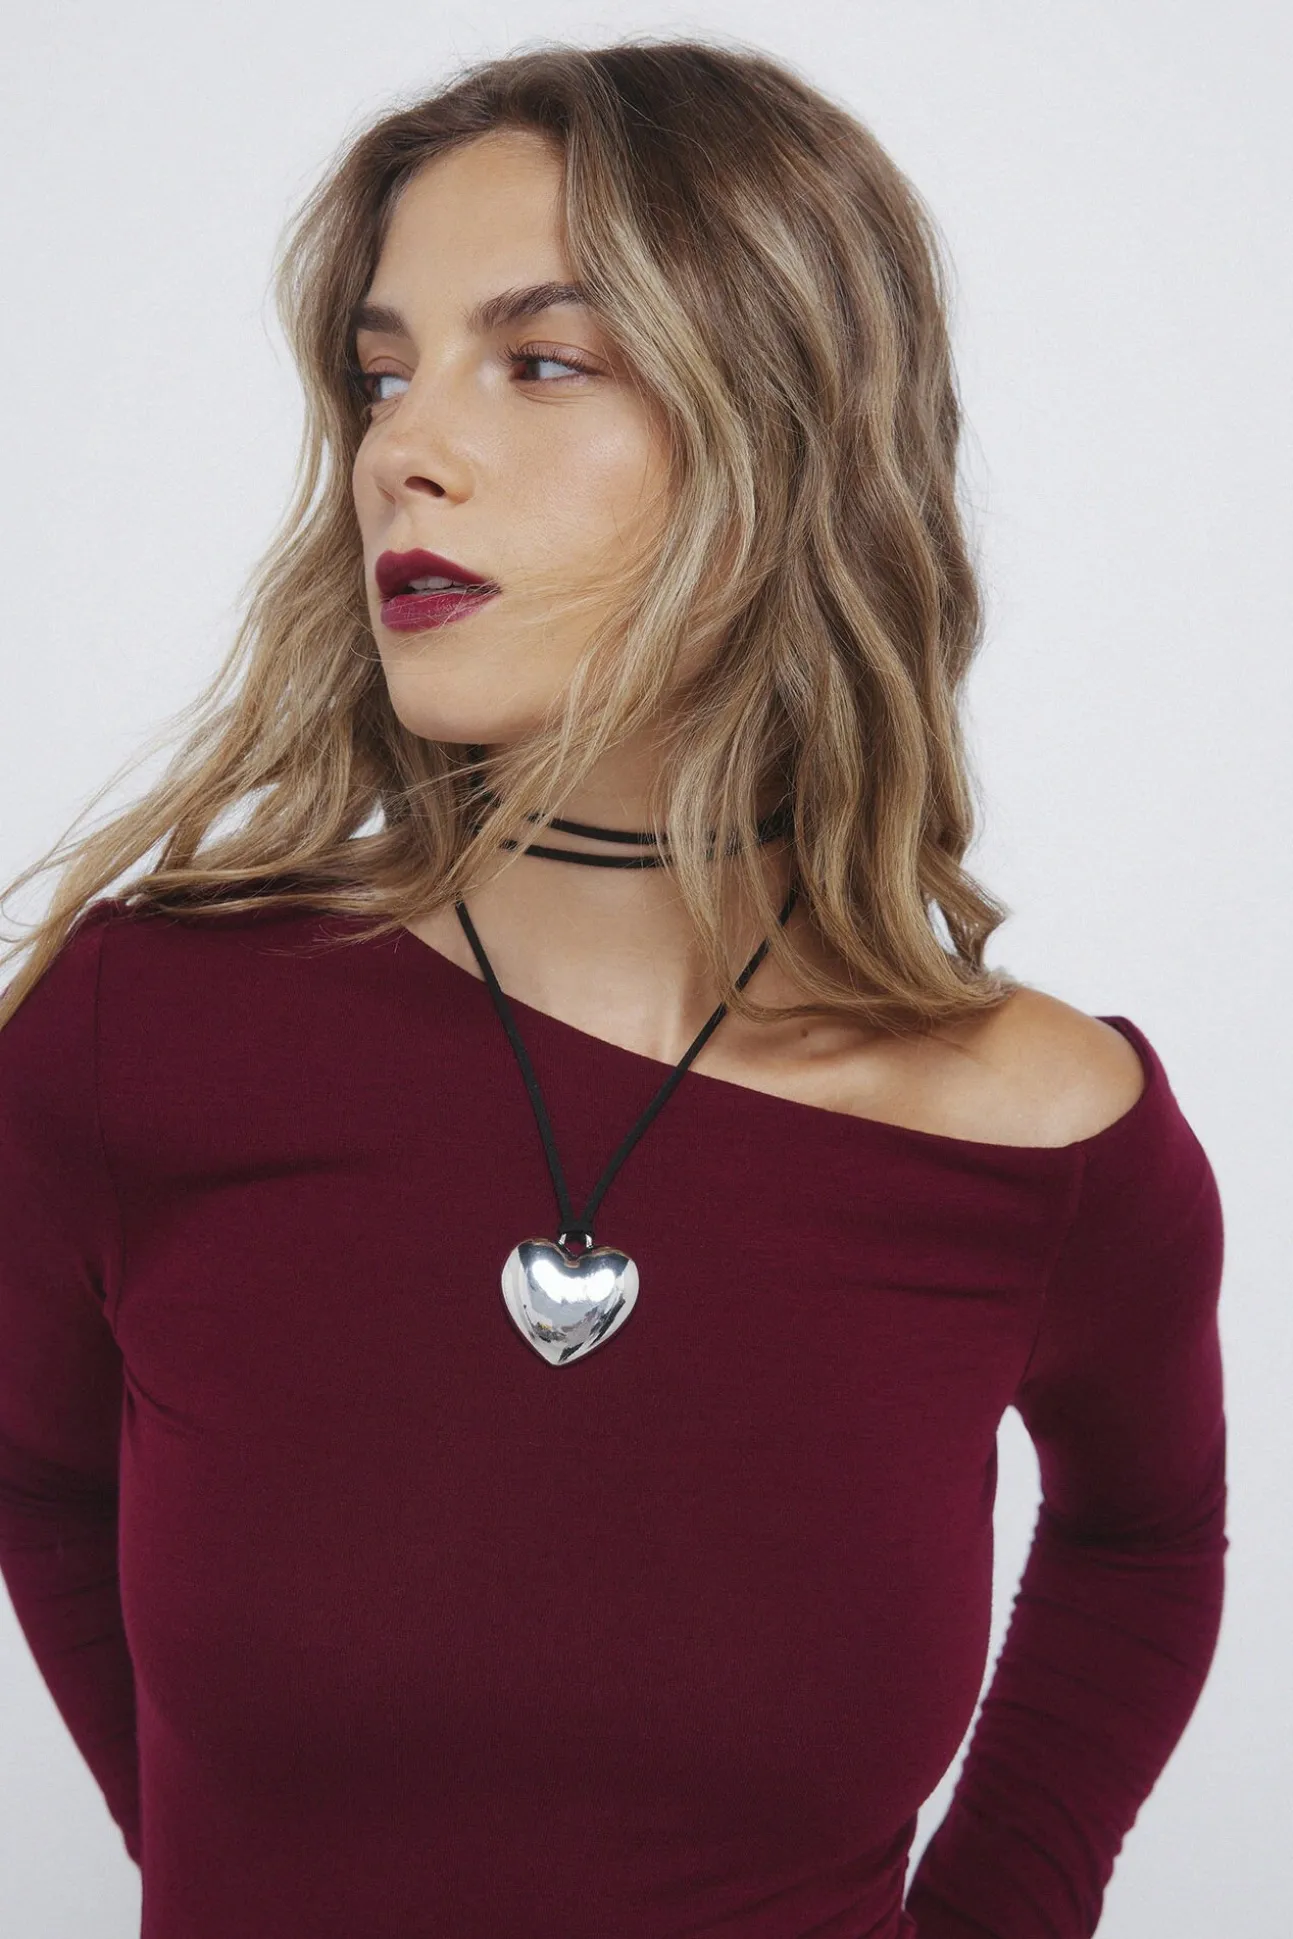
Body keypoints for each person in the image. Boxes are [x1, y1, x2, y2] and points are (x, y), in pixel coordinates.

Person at [0, 36, 1226, 1939]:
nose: (398, 449)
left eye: (544, 360)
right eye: (383, 372)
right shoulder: (142, 1029)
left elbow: (1145, 1538)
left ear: (784, 432)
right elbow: (36, 1472)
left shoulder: (1053, 1139)